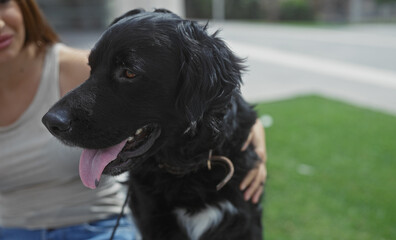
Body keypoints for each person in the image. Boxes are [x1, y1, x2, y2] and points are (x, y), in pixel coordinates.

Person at [0, 0, 267, 239]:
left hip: (96, 229)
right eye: (94, 70)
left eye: (128, 73)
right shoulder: (146, 159)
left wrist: (254, 144)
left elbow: (221, 95)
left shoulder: (65, 63)